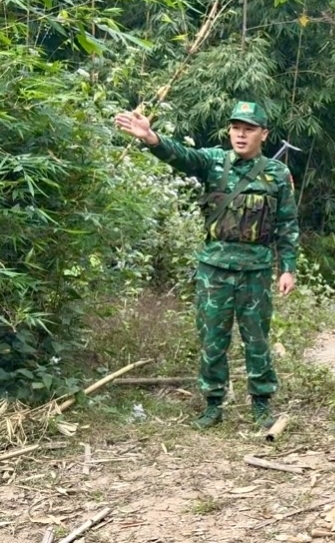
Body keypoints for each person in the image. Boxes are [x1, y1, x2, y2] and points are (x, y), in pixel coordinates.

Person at [115, 101, 299, 429]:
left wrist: (287, 267)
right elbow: (181, 156)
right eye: (236, 128)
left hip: (255, 269)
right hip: (214, 268)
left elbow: (287, 224)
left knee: (257, 339)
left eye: (249, 129)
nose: (241, 135)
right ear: (229, 131)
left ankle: (261, 404)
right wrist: (151, 137)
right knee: (212, 339)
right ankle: (213, 404)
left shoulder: (277, 173)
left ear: (264, 134)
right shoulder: (214, 162)